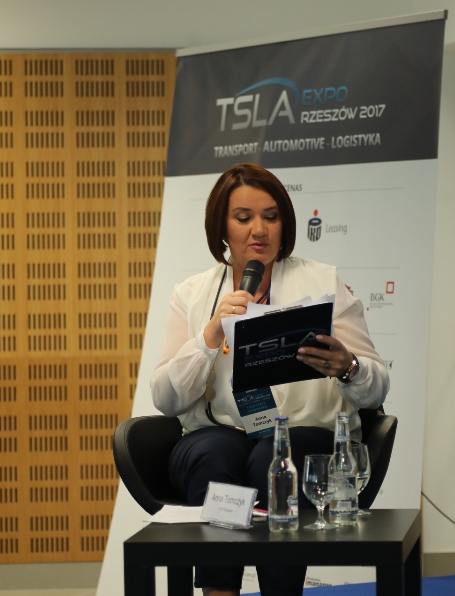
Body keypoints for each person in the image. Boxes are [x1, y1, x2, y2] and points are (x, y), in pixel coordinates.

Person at [151, 163, 389, 596]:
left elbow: (376, 388)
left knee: (273, 457)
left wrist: (348, 366)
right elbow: (166, 399)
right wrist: (209, 336)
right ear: (222, 227)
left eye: (271, 216)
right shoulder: (192, 294)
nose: (259, 229)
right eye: (243, 217)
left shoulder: (322, 282)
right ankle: (219, 593)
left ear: (285, 224)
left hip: (304, 433)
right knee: (216, 455)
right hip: (216, 437)